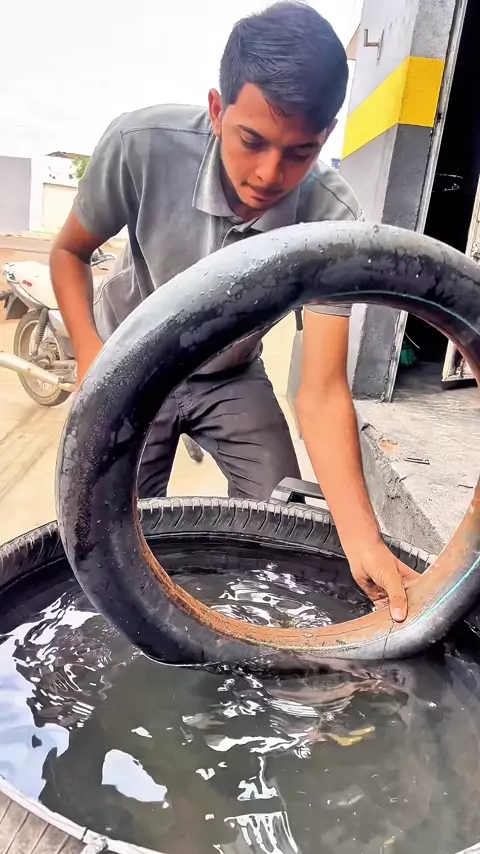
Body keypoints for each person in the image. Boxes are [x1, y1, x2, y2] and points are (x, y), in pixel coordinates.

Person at [50, 1, 418, 620]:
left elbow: (322, 392)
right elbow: (68, 252)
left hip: (232, 376)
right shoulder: (139, 146)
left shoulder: (332, 220)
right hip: (130, 372)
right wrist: (93, 361)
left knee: (282, 519)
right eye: (252, 141)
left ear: (326, 135)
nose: (271, 174)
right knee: (110, 542)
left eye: (300, 152)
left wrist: (363, 539)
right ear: (218, 109)